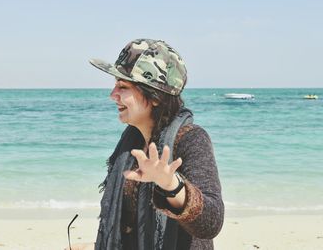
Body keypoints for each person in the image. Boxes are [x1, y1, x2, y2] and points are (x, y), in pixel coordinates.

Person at [70, 39, 224, 250]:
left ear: (155, 98)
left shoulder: (191, 139)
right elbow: (129, 227)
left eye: (122, 86)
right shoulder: (130, 143)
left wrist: (172, 185)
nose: (112, 95)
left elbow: (212, 222)